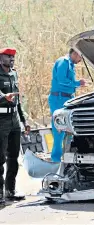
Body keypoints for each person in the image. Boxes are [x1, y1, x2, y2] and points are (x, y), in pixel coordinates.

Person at [0, 48, 30, 206]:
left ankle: (10, 190)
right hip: (1, 119)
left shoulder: (14, 73)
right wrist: (3, 97)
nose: (11, 59)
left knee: (13, 157)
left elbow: (18, 100)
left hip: (14, 120)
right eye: (8, 56)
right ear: (0, 58)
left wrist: (25, 120)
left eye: (13, 57)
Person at [48, 48, 86, 162]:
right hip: (59, 98)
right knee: (59, 129)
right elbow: (61, 80)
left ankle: (67, 157)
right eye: (80, 57)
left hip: (67, 98)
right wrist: (78, 83)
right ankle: (56, 160)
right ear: (75, 53)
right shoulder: (63, 62)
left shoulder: (70, 64)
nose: (81, 60)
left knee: (70, 128)